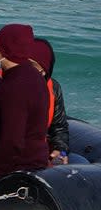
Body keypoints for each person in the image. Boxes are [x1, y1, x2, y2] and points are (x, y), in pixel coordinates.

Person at [0, 24, 50, 192]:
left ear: (4, 50)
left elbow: (12, 140)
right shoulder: (31, 77)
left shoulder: (16, 87)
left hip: (13, 170)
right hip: (25, 164)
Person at [28, 37, 77, 165]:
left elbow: (59, 127)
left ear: (45, 70)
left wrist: (59, 149)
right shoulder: (5, 85)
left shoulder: (53, 88)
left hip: (39, 149)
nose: (26, 69)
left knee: (78, 162)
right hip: (14, 155)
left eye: (32, 65)